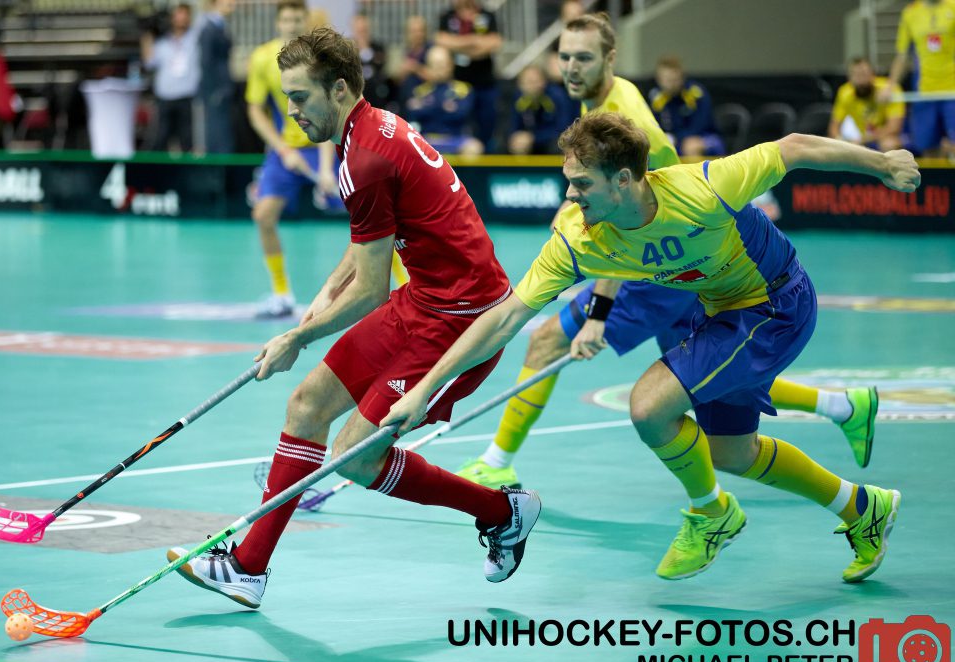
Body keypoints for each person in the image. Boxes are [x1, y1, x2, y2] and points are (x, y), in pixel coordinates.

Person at [385, 113, 917, 583]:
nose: (569, 196)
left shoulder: (704, 189)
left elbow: (794, 147)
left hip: (777, 305)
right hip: (720, 312)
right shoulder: (580, 237)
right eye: (568, 182)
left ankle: (711, 514)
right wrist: (425, 390)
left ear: (624, 180)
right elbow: (504, 319)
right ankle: (862, 507)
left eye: (581, 183)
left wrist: (882, 164)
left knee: (649, 406)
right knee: (731, 453)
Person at [166, 27, 541, 608]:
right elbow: (368, 246)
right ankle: (247, 569)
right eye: (287, 98)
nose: (292, 111)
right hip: (423, 299)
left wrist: (298, 336)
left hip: (463, 321)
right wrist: (320, 299)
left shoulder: (365, 157)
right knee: (306, 405)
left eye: (300, 97)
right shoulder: (370, 130)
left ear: (338, 89)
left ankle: (501, 510)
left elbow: (370, 290)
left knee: (357, 456)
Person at [456, 13, 878, 490]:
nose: (571, 67)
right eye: (565, 56)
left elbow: (637, 225)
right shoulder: (597, 108)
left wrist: (599, 311)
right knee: (704, 373)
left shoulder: (628, 117)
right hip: (675, 270)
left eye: (584, 58)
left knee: (549, 340)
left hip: (659, 269)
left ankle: (498, 459)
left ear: (610, 58)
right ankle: (842, 406)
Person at [244, 0, 340, 318]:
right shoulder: (262, 58)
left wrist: (326, 169)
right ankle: (281, 293)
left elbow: (328, 112)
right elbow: (256, 111)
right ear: (278, 23)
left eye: (298, 19)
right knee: (263, 216)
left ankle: (403, 286)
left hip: (321, 146)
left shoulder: (318, 59)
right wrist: (283, 150)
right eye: (286, 19)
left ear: (305, 20)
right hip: (284, 153)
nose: (292, 25)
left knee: (370, 215)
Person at [882, 0, 955, 156]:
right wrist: (890, 86)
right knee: (927, 146)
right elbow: (902, 55)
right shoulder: (910, 13)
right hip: (924, 92)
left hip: (952, 92)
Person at [436, 0, 502, 150]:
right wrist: (474, 41)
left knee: (487, 123)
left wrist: (458, 45)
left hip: (484, 82)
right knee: (460, 123)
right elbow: (441, 40)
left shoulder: (487, 15)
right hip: (457, 83)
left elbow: (495, 42)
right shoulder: (448, 16)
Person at [140, 3, 201, 153]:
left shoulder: (195, 39)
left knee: (187, 139)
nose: (181, 19)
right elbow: (149, 62)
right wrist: (147, 34)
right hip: (165, 97)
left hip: (186, 96)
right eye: (178, 15)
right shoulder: (163, 42)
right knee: (161, 137)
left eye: (184, 15)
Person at [405, 46, 483, 156]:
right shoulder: (420, 91)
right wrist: (445, 107)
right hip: (427, 139)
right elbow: (413, 115)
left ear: (450, 65)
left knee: (474, 147)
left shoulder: (463, 89)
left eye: (441, 64)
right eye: (434, 65)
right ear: (427, 67)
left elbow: (461, 114)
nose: (438, 69)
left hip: (455, 139)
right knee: (406, 146)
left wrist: (428, 107)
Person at [648, 55, 726, 157]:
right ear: (659, 79)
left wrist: (680, 139)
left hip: (706, 137)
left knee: (691, 146)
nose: (671, 85)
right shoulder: (656, 97)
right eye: (667, 80)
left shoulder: (696, 93)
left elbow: (700, 125)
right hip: (675, 140)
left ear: (682, 77)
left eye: (675, 80)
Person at [830, 57, 905, 151]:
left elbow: (893, 128)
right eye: (856, 75)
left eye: (864, 74)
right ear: (849, 78)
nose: (861, 80)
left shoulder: (889, 90)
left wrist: (864, 139)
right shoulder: (845, 93)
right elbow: (834, 127)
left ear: (873, 75)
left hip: (884, 136)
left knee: (889, 144)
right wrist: (840, 141)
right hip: (860, 138)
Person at [508, 63, 575, 155]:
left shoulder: (557, 96)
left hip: (549, 142)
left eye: (536, 81)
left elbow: (564, 129)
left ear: (544, 82)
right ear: (520, 84)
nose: (533, 86)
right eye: (528, 82)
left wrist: (533, 138)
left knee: (558, 146)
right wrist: (517, 139)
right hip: (527, 143)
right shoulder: (517, 98)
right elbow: (512, 126)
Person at [198, 0, 235, 154]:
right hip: (216, 90)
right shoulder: (209, 28)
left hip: (222, 88)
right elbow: (206, 62)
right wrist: (214, 90)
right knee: (218, 134)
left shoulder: (219, 26)